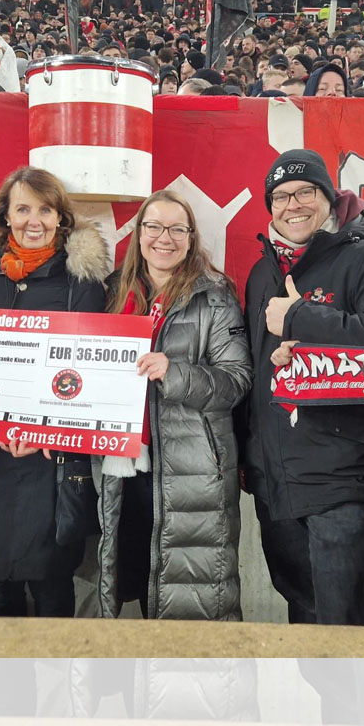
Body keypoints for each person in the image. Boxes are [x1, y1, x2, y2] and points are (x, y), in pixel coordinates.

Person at [244, 149, 364, 625]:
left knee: (340, 627)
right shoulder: (262, 270)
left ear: (328, 197)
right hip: (275, 481)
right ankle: (312, 704)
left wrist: (303, 317)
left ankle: (349, 704)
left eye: (306, 192)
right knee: (302, 617)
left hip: (341, 478)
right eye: (281, 197)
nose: (293, 205)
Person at [0, 165, 110, 617]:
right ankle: (5, 689)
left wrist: (47, 429)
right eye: (23, 209)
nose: (34, 220)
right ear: (5, 216)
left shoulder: (82, 282)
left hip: (50, 458)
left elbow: (91, 370)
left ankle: (61, 687)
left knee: (53, 587)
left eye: (45, 210)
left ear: (60, 218)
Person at [98, 190, 252, 621]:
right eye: (154, 226)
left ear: (190, 236)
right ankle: (132, 689)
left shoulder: (215, 296)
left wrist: (176, 372)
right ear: (139, 233)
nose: (164, 238)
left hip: (192, 474)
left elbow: (237, 381)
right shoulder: (113, 293)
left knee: (183, 600)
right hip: (124, 471)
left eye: (176, 228)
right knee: (128, 583)